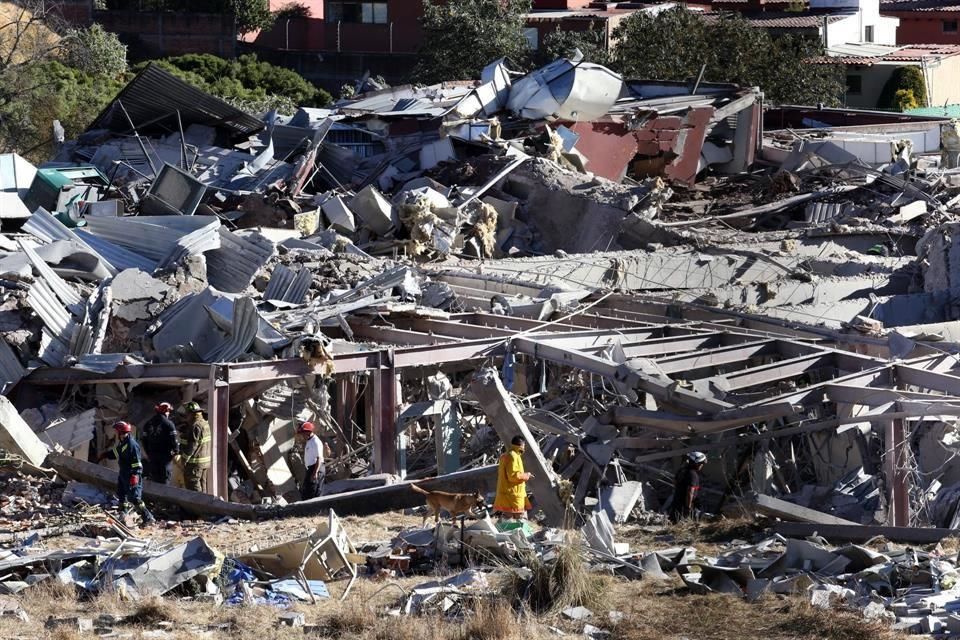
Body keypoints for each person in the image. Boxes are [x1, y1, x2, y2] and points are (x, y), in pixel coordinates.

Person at [97, 421, 155, 526]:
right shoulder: (123, 443)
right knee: (121, 494)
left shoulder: (132, 445)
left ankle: (148, 517)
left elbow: (137, 463)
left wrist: (135, 475)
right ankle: (123, 515)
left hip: (131, 475)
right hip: (123, 473)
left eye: (116, 431)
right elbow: (116, 452)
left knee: (135, 498)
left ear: (120, 432)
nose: (115, 433)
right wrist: (105, 455)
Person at [494, 435, 534, 520]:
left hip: (506, 494)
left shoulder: (506, 455)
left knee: (507, 520)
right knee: (521, 520)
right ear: (522, 445)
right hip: (513, 495)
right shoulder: (513, 456)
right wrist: (527, 475)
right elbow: (513, 476)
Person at [140, 402, 179, 485]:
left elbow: (144, 440)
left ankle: (154, 497)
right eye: (169, 411)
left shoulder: (148, 423)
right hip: (165, 459)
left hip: (152, 458)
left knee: (154, 480)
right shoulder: (169, 424)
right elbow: (174, 441)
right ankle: (162, 497)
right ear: (166, 412)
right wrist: (176, 451)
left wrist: (148, 453)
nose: (169, 414)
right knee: (164, 481)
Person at [179, 401, 211, 493]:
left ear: (191, 414)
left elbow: (192, 446)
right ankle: (204, 505)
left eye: (187, 414)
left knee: (193, 488)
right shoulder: (205, 423)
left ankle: (196, 506)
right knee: (203, 487)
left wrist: (184, 460)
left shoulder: (195, 426)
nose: (186, 417)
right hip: (204, 463)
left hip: (195, 464)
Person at [669, 451, 706, 523]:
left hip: (676, 503)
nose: (702, 466)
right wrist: (688, 508)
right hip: (685, 506)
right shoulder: (693, 475)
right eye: (702, 464)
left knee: (674, 522)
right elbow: (690, 492)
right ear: (697, 464)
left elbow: (675, 482)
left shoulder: (682, 470)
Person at [296, 422, 324, 500]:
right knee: (306, 491)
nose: (302, 436)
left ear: (308, 432)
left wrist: (315, 473)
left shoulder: (315, 442)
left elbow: (319, 458)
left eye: (303, 433)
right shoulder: (309, 441)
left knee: (313, 491)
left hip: (316, 468)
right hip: (311, 468)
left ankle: (314, 510)